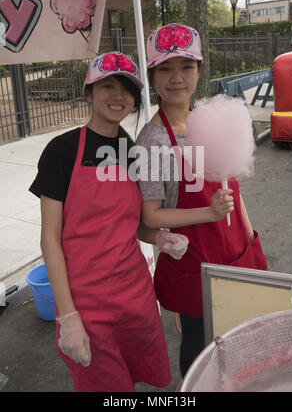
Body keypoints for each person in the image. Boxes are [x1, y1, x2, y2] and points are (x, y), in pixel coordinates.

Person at [29, 51, 189, 392]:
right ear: (88, 92)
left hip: (134, 294)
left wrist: (159, 238)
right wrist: (68, 316)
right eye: (108, 86)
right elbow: (50, 239)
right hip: (85, 301)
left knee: (138, 375)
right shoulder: (62, 151)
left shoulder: (132, 150)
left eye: (127, 90)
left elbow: (134, 225)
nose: (119, 96)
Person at [136, 24, 268, 378]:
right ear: (152, 75)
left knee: (239, 334)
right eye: (165, 68)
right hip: (195, 262)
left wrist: (251, 238)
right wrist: (208, 212)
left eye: (186, 67)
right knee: (200, 345)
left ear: (199, 69)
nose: (177, 78)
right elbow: (150, 216)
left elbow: (232, 189)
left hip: (237, 249)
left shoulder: (206, 120)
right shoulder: (153, 140)